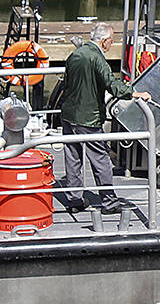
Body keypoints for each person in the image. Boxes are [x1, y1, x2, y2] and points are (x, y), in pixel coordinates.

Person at [59, 22, 150, 214]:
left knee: (72, 157)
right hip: (88, 118)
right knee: (100, 159)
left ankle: (74, 200)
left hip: (68, 114)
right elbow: (112, 84)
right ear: (104, 41)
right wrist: (134, 93)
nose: (111, 44)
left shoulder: (76, 54)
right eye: (111, 40)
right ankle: (109, 201)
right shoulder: (97, 58)